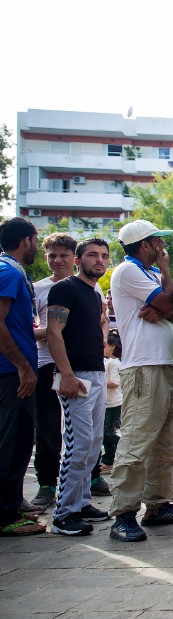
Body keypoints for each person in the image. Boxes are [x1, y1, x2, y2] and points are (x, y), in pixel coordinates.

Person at [108, 219, 173, 542]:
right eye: (157, 242)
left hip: (167, 363)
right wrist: (166, 287)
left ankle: (158, 503)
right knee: (137, 439)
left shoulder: (149, 275)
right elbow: (168, 303)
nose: (161, 248)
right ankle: (123, 512)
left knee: (167, 441)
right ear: (145, 245)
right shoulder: (128, 271)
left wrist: (164, 306)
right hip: (143, 367)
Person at [45, 238, 112, 535]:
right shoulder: (64, 288)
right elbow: (53, 332)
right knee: (77, 444)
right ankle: (64, 514)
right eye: (92, 255)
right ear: (78, 259)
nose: (99, 260)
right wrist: (67, 374)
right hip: (76, 376)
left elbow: (100, 323)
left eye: (104, 256)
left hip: (96, 373)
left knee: (93, 443)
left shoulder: (94, 293)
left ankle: (82, 502)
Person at [0, 217, 44, 536]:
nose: (38, 246)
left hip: (17, 372)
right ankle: (5, 515)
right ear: (26, 240)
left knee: (19, 441)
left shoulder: (15, 271)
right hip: (10, 374)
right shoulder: (8, 270)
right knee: (10, 443)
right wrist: (23, 366)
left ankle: (13, 503)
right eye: (37, 240)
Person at [29, 233, 78, 510]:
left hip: (80, 364)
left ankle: (90, 478)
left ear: (74, 258)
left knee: (84, 428)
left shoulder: (88, 287)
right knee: (47, 428)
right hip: (46, 363)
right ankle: (47, 484)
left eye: (63, 255)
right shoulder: (36, 289)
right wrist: (51, 332)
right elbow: (26, 330)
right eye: (52, 255)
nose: (57, 260)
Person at [102, 331, 122, 472]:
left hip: (114, 403)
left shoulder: (114, 363)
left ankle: (124, 446)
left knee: (108, 433)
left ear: (112, 346)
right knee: (105, 434)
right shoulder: (108, 362)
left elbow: (115, 382)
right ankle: (108, 461)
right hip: (107, 403)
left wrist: (98, 380)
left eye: (105, 345)